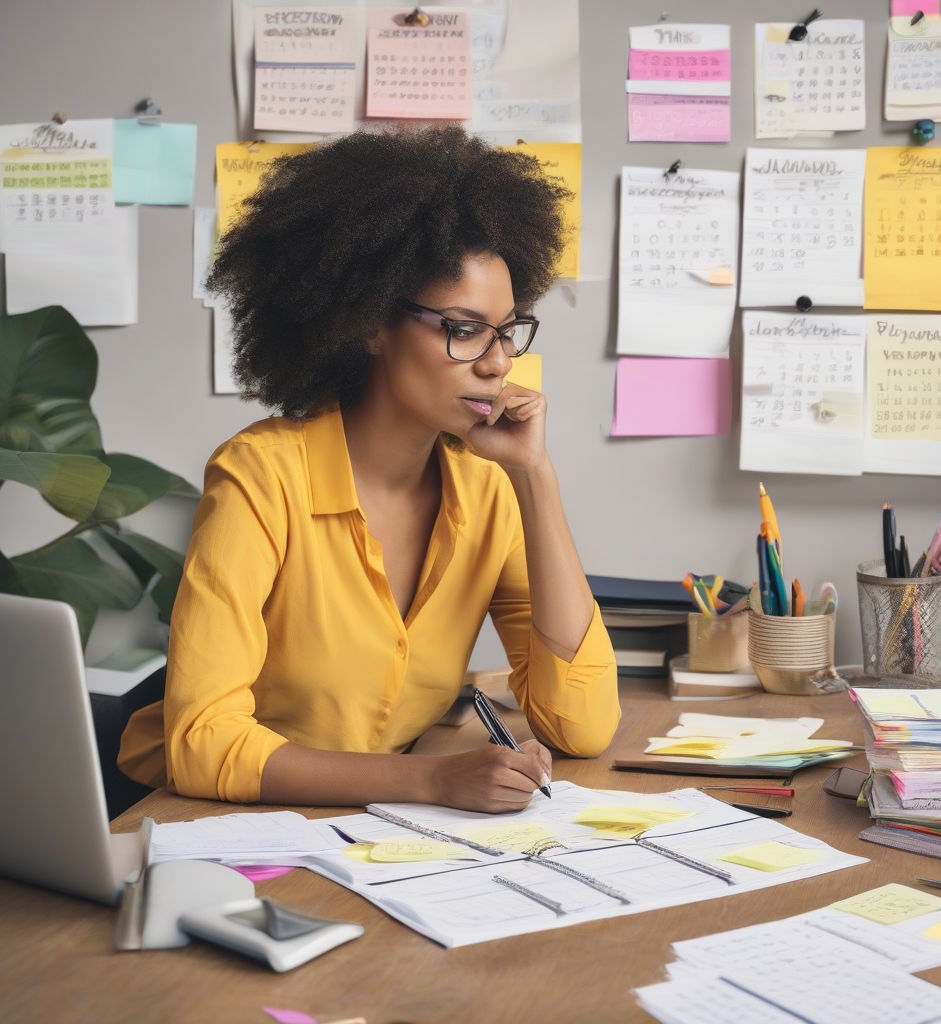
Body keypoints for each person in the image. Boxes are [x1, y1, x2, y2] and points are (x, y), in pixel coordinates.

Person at [119, 125, 620, 813]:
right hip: (214, 823)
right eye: (464, 329)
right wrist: (433, 782)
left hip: (369, 836)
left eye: (506, 331)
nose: (498, 362)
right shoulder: (261, 478)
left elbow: (583, 725)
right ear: (370, 324)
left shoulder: (487, 489)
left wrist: (536, 477)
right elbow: (204, 742)